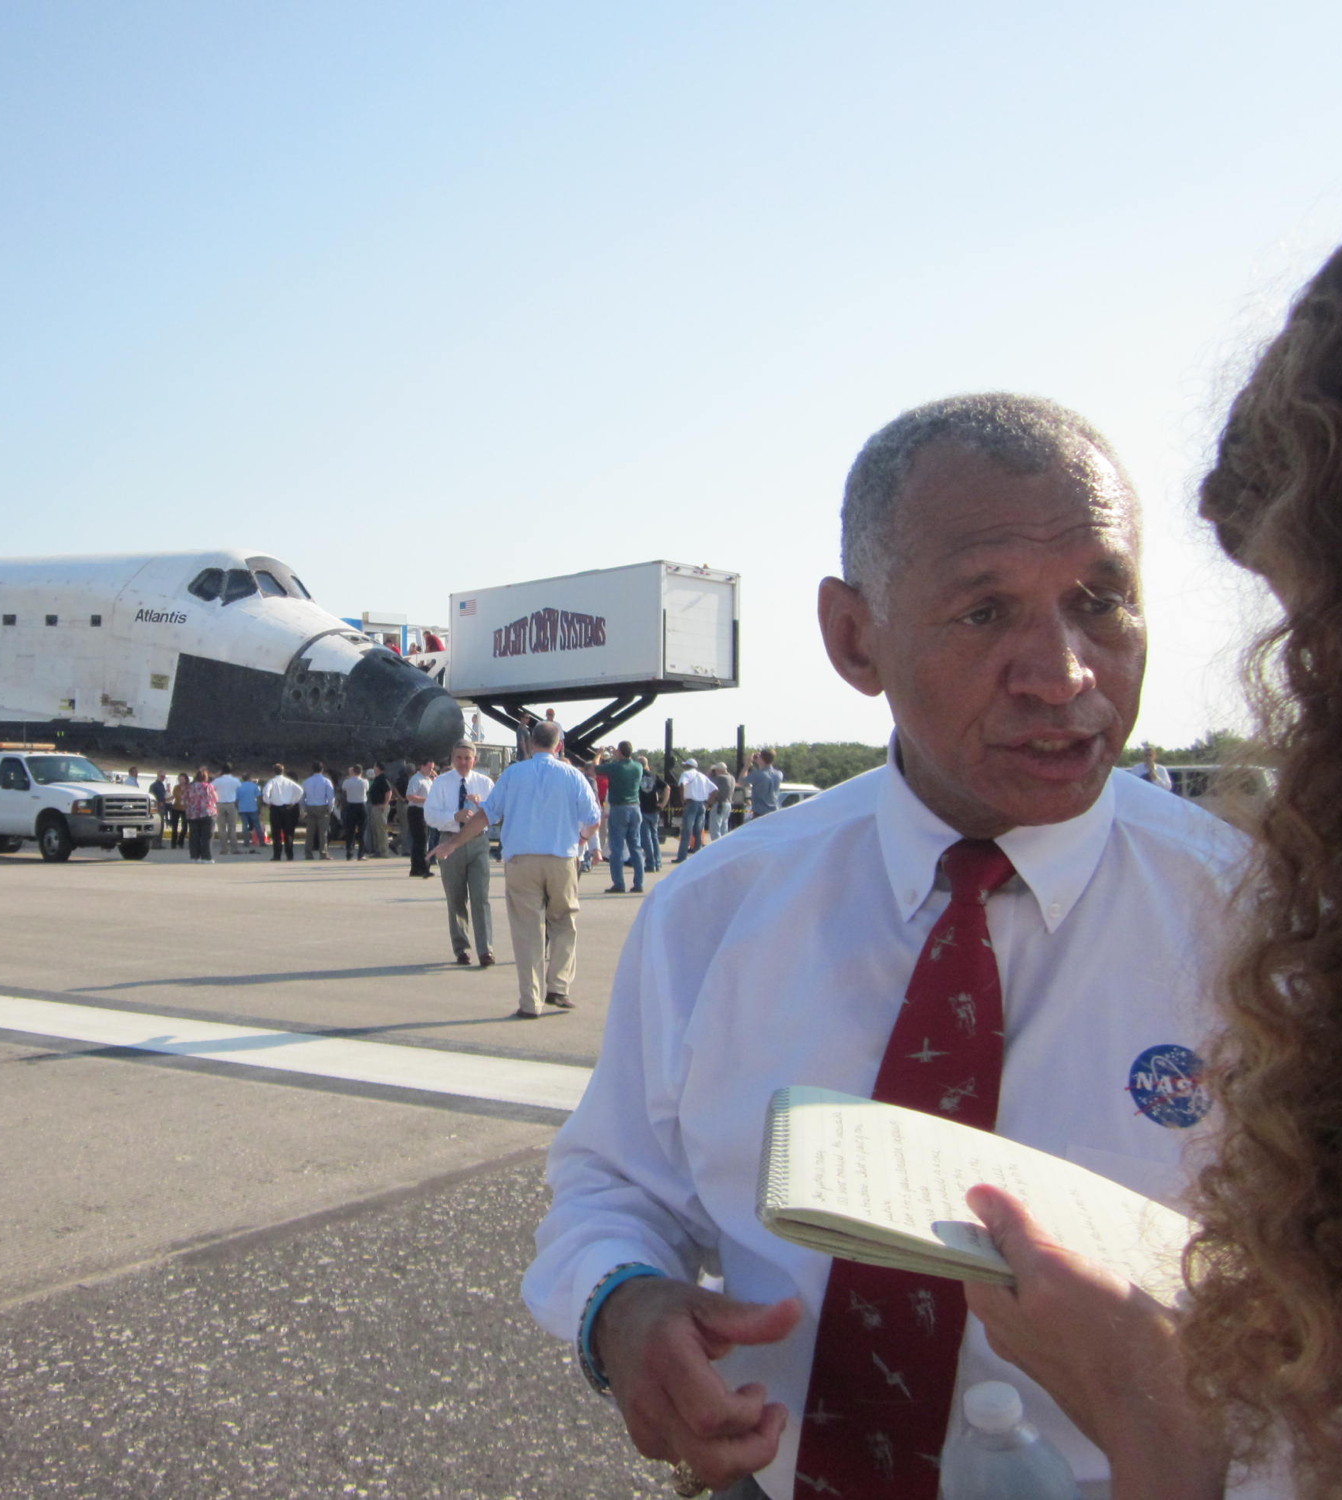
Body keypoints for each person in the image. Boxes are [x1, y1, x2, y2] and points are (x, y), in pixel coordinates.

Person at [520, 393, 1247, 1500]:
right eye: (984, 612)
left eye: (1101, 602)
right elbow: (612, 1182)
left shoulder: (1261, 930)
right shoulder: (715, 913)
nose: (1061, 674)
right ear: (854, 638)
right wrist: (620, 1301)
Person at [961, 183, 1342, 1500]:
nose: (1319, 718)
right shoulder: (727, 905)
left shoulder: (1234, 900)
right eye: (985, 610)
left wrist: (1142, 1403)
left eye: (1341, 647)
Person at [432, 719, 598, 1018]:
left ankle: (529, 1002)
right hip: (561, 859)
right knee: (564, 923)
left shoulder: (513, 774)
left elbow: (486, 815)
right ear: (559, 746)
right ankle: (558, 988)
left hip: (521, 861)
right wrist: (584, 840)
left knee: (527, 931)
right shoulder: (573, 775)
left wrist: (453, 843)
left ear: (531, 743)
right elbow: (593, 817)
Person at [425, 742, 496, 966]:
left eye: (468, 758)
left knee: (480, 897)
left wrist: (480, 805)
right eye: (459, 758)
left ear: (475, 759)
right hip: (450, 841)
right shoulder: (441, 783)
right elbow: (430, 815)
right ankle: (461, 947)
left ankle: (486, 949)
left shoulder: (484, 783)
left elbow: (496, 814)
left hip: (478, 843)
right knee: (456, 898)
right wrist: (454, 816)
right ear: (452, 759)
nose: (464, 762)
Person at [601, 741, 644, 894]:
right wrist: (616, 754)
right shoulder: (638, 766)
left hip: (619, 808)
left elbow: (594, 768)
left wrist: (599, 754)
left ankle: (619, 883)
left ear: (620, 752)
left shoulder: (615, 767)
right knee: (636, 847)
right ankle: (639, 883)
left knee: (617, 848)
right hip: (635, 807)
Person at [674, 759, 715, 862]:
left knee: (687, 831)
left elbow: (682, 784)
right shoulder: (702, 776)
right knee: (698, 831)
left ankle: (682, 857)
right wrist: (708, 803)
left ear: (688, 766)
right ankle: (698, 857)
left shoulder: (686, 774)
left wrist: (683, 800)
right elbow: (714, 789)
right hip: (702, 804)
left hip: (691, 803)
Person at [404, 759, 436, 877]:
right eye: (429, 768)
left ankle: (416, 868)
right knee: (420, 840)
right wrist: (426, 800)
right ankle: (422, 868)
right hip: (416, 811)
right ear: (422, 766)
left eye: (433, 768)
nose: (431, 770)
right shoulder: (416, 779)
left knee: (423, 839)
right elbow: (410, 796)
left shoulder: (429, 780)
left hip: (426, 811)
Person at [262, 764, 302, 860]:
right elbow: (300, 790)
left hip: (276, 809)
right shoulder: (288, 782)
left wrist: (268, 801)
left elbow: (265, 792)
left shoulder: (272, 781)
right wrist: (293, 801)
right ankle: (289, 855)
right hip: (287, 809)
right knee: (288, 833)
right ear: (283, 771)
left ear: (274, 771)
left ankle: (277, 855)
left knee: (276, 833)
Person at [302, 761, 336, 860]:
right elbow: (331, 797)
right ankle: (323, 853)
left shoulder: (306, 781)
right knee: (323, 832)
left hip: (310, 807)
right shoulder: (326, 781)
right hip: (322, 807)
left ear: (312, 770)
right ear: (322, 769)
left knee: (310, 832)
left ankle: (308, 853)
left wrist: (303, 808)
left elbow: (302, 796)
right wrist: (330, 808)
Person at [183, 768, 217, 863]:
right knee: (207, 836)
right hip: (207, 813)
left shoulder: (190, 787)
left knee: (194, 836)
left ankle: (194, 856)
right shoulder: (208, 786)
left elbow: (184, 799)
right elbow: (215, 798)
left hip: (193, 814)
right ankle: (207, 857)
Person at [339, 765, 369, 860]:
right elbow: (367, 789)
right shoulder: (364, 782)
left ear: (353, 772)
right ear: (361, 772)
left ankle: (349, 852)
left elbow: (343, 788)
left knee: (350, 830)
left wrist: (350, 775)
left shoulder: (347, 782)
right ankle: (361, 853)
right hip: (361, 806)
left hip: (351, 806)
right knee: (362, 830)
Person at [212, 763, 242, 854]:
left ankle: (224, 848)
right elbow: (239, 789)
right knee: (232, 827)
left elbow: (210, 788)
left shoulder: (217, 781)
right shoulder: (235, 780)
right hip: (231, 804)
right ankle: (234, 848)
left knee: (221, 827)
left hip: (219, 804)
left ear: (221, 771)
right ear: (231, 771)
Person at [365, 764, 393, 858]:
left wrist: (385, 804)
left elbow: (389, 791)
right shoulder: (377, 778)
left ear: (379, 768)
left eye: (375, 766)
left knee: (381, 830)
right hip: (375, 806)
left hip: (381, 807)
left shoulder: (383, 778)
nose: (374, 768)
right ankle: (378, 850)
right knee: (376, 829)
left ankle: (384, 852)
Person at [746, 749, 782, 819]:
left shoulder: (759, 775)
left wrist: (746, 765)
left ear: (761, 759)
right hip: (774, 811)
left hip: (760, 813)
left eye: (758, 756)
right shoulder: (779, 774)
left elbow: (741, 781)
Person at [707, 762, 736, 842]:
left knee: (715, 828)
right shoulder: (732, 778)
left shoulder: (720, 778)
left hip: (719, 804)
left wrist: (709, 773)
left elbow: (708, 781)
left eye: (715, 770)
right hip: (728, 804)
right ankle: (725, 845)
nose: (714, 772)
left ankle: (716, 846)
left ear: (719, 770)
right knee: (724, 827)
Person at [235, 771, 264, 849]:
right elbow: (259, 797)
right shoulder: (254, 786)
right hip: (253, 808)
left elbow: (236, 799)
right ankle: (262, 841)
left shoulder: (239, 787)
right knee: (257, 825)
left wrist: (237, 808)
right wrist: (259, 807)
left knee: (245, 826)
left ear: (242, 778)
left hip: (242, 809)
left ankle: (246, 842)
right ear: (249, 778)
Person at [167, 773, 188, 849]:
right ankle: (173, 843)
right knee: (174, 827)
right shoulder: (176, 787)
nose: (181, 781)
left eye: (182, 779)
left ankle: (181, 841)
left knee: (185, 827)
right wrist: (166, 800)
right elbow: (174, 796)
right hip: (176, 808)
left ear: (186, 780)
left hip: (185, 809)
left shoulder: (189, 788)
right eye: (179, 779)